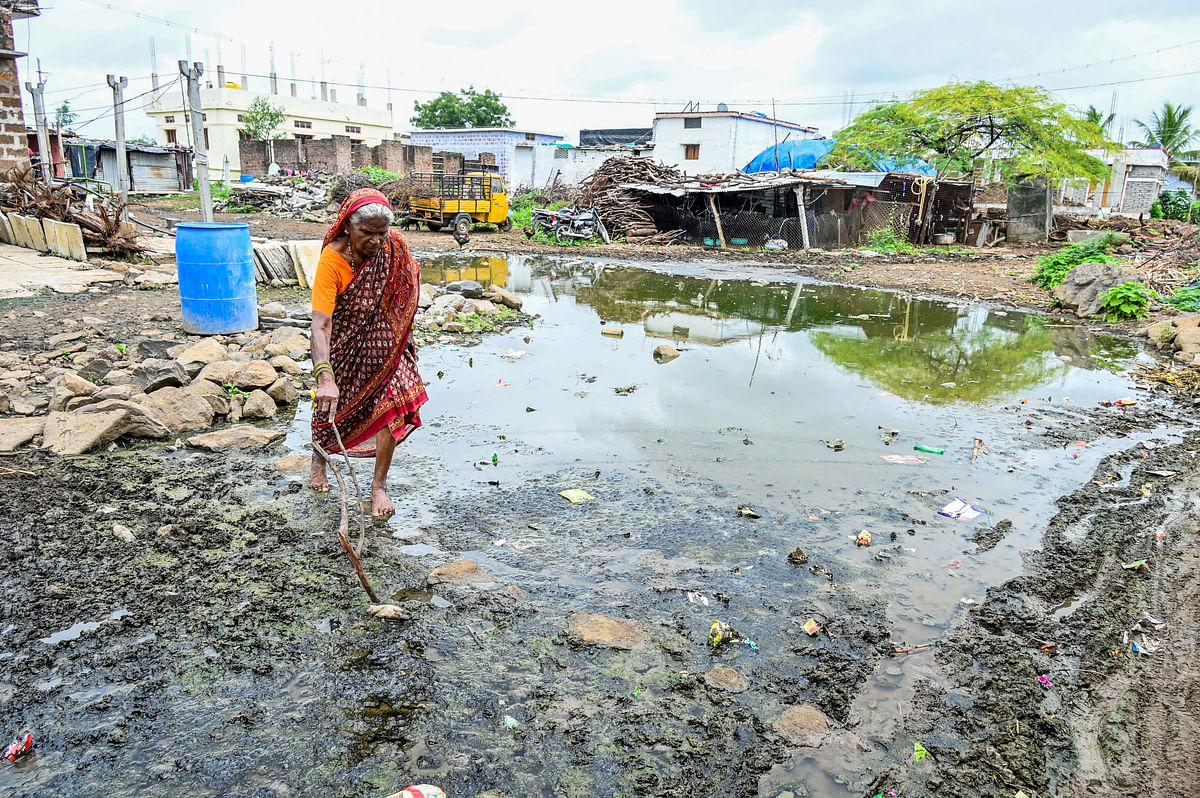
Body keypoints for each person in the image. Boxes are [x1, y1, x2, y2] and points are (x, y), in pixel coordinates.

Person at [308, 188, 428, 518]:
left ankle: (379, 486)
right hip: (346, 344)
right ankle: (319, 459)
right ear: (347, 226)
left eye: (381, 233)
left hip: (389, 345)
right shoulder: (331, 261)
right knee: (329, 405)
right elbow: (321, 325)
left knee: (394, 404)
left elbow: (407, 281)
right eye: (367, 234)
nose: (376, 242)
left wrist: (397, 328)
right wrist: (325, 376)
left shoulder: (394, 245)